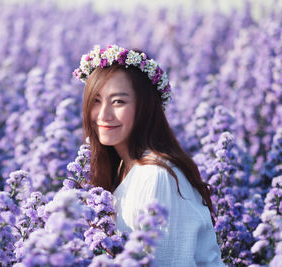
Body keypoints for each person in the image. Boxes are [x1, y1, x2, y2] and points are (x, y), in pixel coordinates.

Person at [73, 44, 224, 266]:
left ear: (145, 108)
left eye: (118, 102)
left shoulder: (156, 175)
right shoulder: (123, 168)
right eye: (96, 100)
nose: (103, 114)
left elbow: (168, 260)